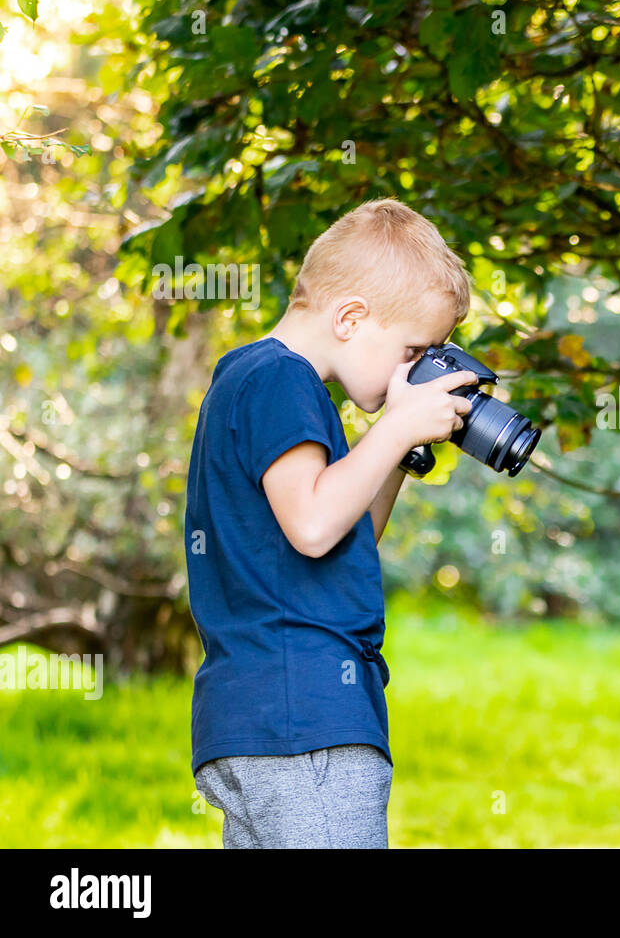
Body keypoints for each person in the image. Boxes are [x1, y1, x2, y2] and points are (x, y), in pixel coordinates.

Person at [185, 199, 478, 847]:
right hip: (306, 722)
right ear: (350, 318)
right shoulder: (280, 380)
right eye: (413, 349)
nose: (415, 368)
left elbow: (344, 537)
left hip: (263, 720)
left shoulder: (255, 381)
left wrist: (399, 451)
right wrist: (395, 425)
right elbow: (314, 525)